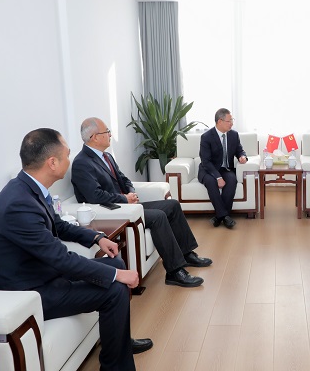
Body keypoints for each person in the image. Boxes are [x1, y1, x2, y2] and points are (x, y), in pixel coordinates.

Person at [0, 128, 153, 371]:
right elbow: (61, 258)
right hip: (27, 292)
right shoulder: (18, 205)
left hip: (40, 274)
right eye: (67, 155)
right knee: (115, 287)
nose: (70, 160)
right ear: (52, 162)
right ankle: (115, 366)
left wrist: (96, 238)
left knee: (115, 262)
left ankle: (119, 344)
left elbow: (58, 225)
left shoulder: (29, 189)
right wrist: (116, 276)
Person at [71, 117, 212, 288]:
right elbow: (94, 196)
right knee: (158, 216)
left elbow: (123, 178)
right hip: (115, 211)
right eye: (107, 132)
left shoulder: (106, 156)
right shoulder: (82, 163)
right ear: (94, 137)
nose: (110, 134)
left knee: (172, 205)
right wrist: (124, 199)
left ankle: (186, 253)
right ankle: (174, 272)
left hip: (128, 205)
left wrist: (131, 193)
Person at [198, 108, 248, 228]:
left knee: (232, 180)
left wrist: (242, 156)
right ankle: (225, 217)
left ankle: (219, 217)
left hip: (226, 169)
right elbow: (206, 161)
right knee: (211, 182)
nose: (232, 123)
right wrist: (218, 177)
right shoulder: (206, 137)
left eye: (232, 120)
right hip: (208, 169)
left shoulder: (234, 135)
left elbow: (239, 150)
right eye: (229, 121)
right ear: (220, 121)